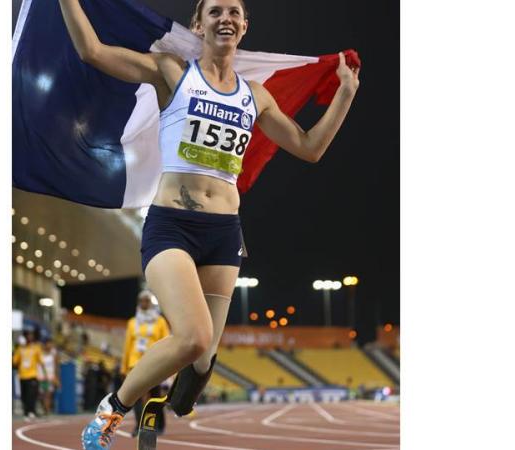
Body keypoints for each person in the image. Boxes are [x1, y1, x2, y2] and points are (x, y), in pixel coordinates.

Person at [58, 0, 360, 448]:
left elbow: (310, 147)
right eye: (215, 11)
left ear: (244, 27)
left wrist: (345, 94)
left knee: (199, 367)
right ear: (198, 25)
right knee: (194, 337)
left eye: (234, 12)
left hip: (224, 235)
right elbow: (93, 51)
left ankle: (168, 402)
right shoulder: (172, 72)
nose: (226, 18)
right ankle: (112, 409)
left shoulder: (255, 95)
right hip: (171, 226)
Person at [120, 290, 171, 437]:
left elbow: (166, 342)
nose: (144, 303)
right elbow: (127, 346)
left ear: (151, 303)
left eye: (147, 301)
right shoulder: (132, 322)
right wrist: (124, 368)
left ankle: (159, 425)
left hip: (154, 362)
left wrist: (166, 364)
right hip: (135, 363)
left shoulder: (160, 321)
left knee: (155, 395)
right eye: (142, 301)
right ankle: (139, 426)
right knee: (135, 396)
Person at [12, 330, 46, 421]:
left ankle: (31, 412)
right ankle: (26, 412)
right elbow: (14, 361)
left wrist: (44, 374)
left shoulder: (36, 348)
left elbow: (41, 361)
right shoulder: (20, 349)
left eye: (31, 336)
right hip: (22, 375)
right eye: (28, 336)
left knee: (32, 395)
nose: (29, 337)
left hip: (33, 375)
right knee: (24, 395)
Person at [39, 339, 60, 415]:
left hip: (50, 377)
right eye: (48, 344)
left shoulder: (53, 354)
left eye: (51, 344)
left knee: (48, 395)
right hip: (41, 376)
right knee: (41, 395)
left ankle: (47, 411)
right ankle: (44, 408)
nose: (50, 345)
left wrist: (56, 377)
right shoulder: (40, 353)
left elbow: (56, 366)